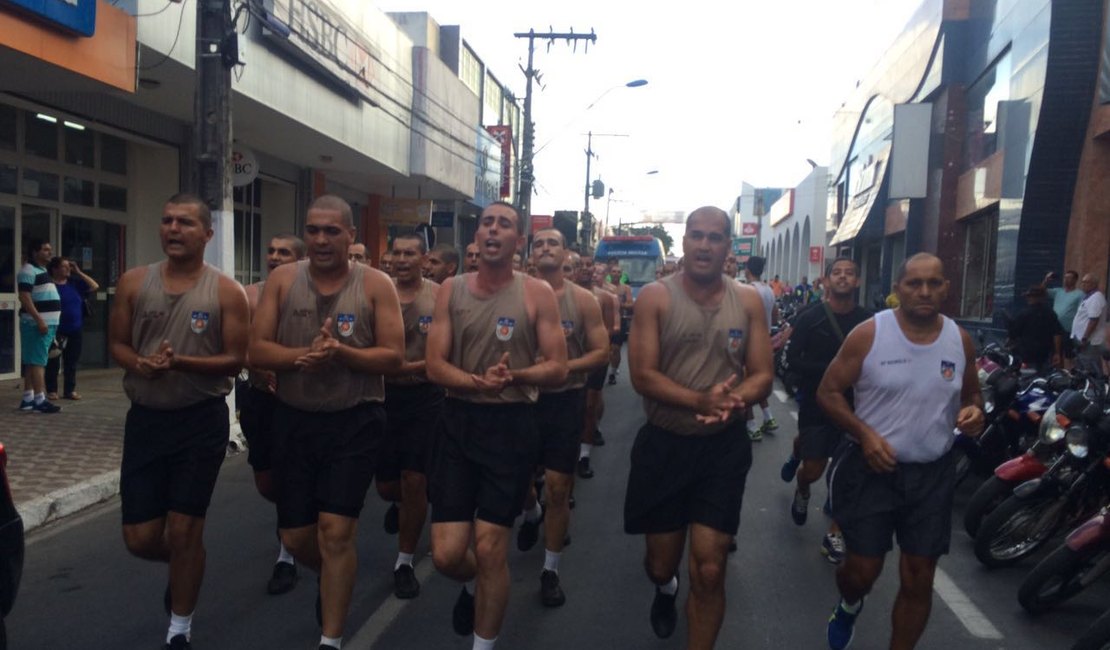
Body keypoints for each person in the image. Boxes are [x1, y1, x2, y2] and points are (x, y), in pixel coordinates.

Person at [249, 195, 404, 650]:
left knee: (337, 532)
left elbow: (394, 356)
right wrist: (303, 358)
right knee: (297, 539)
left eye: (332, 231)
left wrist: (343, 354)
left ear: (350, 236)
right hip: (294, 420)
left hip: (356, 420)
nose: (320, 239)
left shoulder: (375, 285)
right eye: (313, 230)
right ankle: (335, 579)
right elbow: (256, 351)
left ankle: (330, 639)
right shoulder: (282, 280)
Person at [817, 252, 984, 650]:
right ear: (898, 290)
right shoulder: (870, 335)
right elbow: (827, 392)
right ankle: (849, 604)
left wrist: (975, 410)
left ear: (946, 287)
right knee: (862, 570)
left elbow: (972, 393)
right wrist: (865, 433)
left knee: (918, 575)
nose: (924, 291)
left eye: (934, 283)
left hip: (932, 474)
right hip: (871, 468)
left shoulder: (959, 340)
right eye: (914, 283)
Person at [624, 206, 773, 649]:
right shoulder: (656, 297)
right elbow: (642, 376)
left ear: (729, 247)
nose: (705, 245)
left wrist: (733, 401)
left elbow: (762, 373)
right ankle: (665, 590)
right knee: (660, 564)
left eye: (715, 237)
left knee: (709, 568)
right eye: (696, 236)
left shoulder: (745, 301)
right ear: (684, 242)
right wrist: (698, 400)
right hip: (664, 446)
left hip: (721, 449)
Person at [108, 193, 250, 650]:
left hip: (200, 421)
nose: (173, 229)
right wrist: (140, 362)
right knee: (141, 538)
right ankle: (187, 565)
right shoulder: (134, 282)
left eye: (185, 223)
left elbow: (234, 360)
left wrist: (181, 363)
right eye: (167, 220)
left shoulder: (226, 292)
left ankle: (179, 629)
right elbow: (117, 344)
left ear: (207, 234)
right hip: (147, 420)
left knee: (186, 528)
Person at [425, 200, 567, 650]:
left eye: (504, 224)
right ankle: (472, 586)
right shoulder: (451, 288)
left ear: (518, 241)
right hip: (458, 421)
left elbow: (559, 367)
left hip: (511, 425)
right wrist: (473, 382)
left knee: (489, 549)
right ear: (476, 235)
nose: (492, 230)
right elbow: (433, 364)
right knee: (448, 555)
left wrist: (516, 376)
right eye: (486, 222)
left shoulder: (536, 293)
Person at [516, 230, 609, 607]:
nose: (546, 249)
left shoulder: (583, 300)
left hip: (564, 401)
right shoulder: (513, 294)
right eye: (539, 244)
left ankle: (550, 570)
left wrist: (561, 367)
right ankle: (530, 511)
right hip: (519, 401)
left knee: (558, 487)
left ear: (565, 252)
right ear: (531, 254)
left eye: (553, 243)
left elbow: (601, 352)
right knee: (519, 483)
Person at [780, 257, 871, 565]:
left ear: (857, 281)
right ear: (827, 281)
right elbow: (792, 359)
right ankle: (802, 488)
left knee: (851, 473)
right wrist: (834, 371)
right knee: (814, 468)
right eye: (837, 273)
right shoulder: (810, 317)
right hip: (818, 403)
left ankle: (835, 531)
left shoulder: (869, 321)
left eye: (850, 273)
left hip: (858, 407)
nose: (844, 277)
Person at [241, 233, 306, 596]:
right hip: (260, 399)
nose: (275, 257)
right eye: (271, 250)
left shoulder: (310, 297)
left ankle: (287, 555)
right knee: (268, 483)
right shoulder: (249, 296)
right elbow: (236, 346)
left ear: (299, 261)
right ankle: (296, 517)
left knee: (291, 475)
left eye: (284, 252)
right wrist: (259, 365)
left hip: (297, 402)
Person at [381, 233, 443, 599]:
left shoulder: (438, 296)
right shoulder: (378, 290)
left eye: (410, 253)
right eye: (397, 252)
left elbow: (445, 350)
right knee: (388, 486)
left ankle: (404, 561)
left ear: (424, 258)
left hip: (425, 397)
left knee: (414, 479)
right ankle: (399, 503)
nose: (403, 259)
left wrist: (412, 367)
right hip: (382, 395)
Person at [578, 256, 619, 477]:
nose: (585, 270)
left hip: (594, 358)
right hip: (569, 359)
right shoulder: (559, 295)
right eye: (580, 266)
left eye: (588, 266)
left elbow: (611, 328)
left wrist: (592, 341)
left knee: (590, 406)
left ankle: (583, 455)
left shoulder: (604, 297)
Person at [44, 256, 99, 401]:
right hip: (56, 329)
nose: (68, 269)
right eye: (64, 266)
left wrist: (79, 272)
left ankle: (69, 390)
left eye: (69, 266)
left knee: (71, 361)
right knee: (53, 361)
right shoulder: (49, 284)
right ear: (55, 269)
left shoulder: (75, 283)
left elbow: (95, 286)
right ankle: (52, 390)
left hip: (75, 328)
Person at [17, 239, 62, 414]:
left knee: (31, 360)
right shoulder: (28, 271)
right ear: (35, 252)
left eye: (50, 249)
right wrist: (40, 320)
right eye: (45, 249)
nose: (49, 252)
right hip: (37, 324)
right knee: (38, 362)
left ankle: (28, 398)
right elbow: (25, 297)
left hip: (44, 323)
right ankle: (39, 399)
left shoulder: (41, 270)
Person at [742, 256, 779, 441]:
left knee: (745, 384)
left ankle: (752, 426)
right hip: (765, 340)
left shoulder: (748, 290)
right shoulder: (769, 290)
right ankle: (769, 417)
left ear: (747, 269)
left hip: (748, 342)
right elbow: (775, 314)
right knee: (757, 382)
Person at [1007, 284, 1065, 372]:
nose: (1028, 299)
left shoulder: (1024, 314)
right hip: (1045, 354)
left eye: (1030, 297)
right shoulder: (1050, 313)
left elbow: (1013, 333)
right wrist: (1057, 353)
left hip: (1027, 354)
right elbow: (1057, 333)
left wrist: (1010, 342)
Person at [1071, 273, 1108, 376]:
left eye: (1086, 282)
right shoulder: (1088, 297)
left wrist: (1085, 338)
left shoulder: (1096, 298)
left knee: (1090, 369)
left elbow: (1094, 320)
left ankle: (1095, 390)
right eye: (1082, 282)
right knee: (1082, 367)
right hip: (1083, 340)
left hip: (1090, 342)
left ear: (1093, 284)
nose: (1083, 284)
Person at [606, 260, 634, 385]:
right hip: (605, 320)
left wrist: (619, 304)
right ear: (610, 273)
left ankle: (613, 372)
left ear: (621, 274)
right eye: (614, 272)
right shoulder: (604, 287)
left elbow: (630, 304)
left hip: (621, 320)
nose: (616, 274)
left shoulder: (625, 288)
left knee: (616, 348)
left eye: (618, 272)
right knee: (606, 349)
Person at [1041, 270, 1084, 337]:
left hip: (1067, 330)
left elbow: (1082, 312)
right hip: (1054, 327)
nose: (1066, 280)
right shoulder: (1058, 291)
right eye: (1065, 277)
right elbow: (1041, 292)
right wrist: (1046, 281)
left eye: (1069, 278)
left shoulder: (1080, 294)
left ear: (1075, 280)